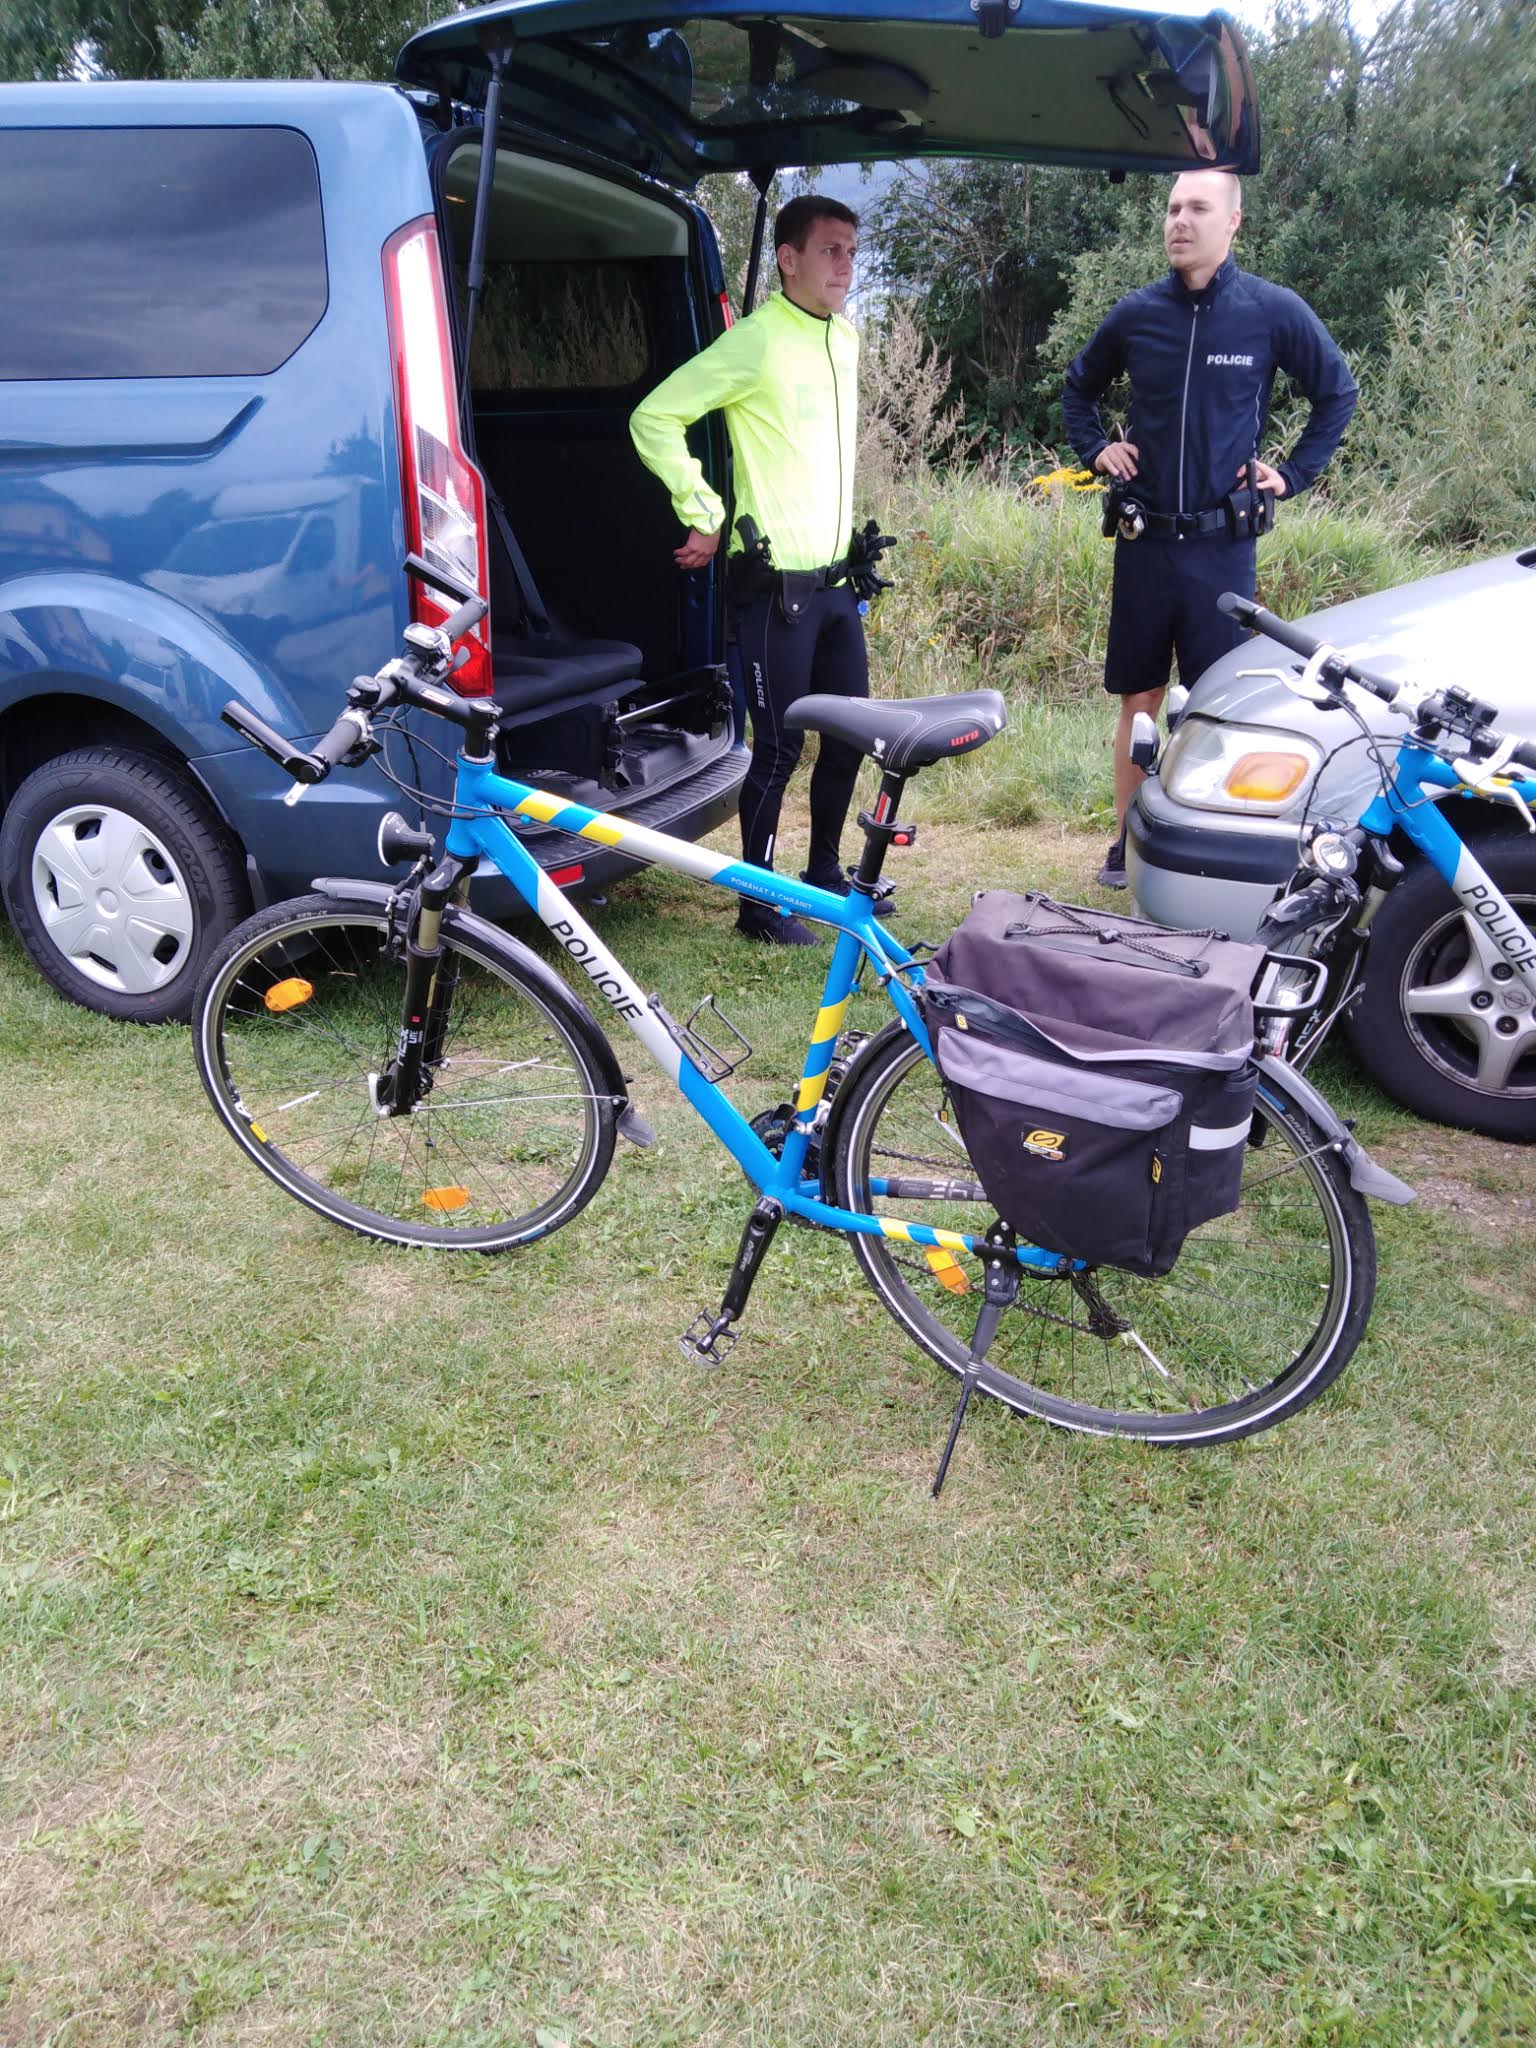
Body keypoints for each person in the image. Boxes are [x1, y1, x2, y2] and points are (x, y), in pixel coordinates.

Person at [1062, 170, 1358, 888]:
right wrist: (1096, 449)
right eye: (1172, 208)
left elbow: (1337, 393)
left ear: (1233, 222)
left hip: (1223, 549)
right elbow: (1079, 388)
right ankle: (1126, 844)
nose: (1180, 221)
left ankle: (1198, 847)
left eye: (1197, 208)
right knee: (1140, 699)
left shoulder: (1270, 311)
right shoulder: (1137, 315)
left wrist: (1293, 474)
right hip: (1145, 543)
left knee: (1216, 704)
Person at [630, 196, 874, 945]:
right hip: (773, 593)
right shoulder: (756, 341)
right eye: (830, 250)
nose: (845, 265)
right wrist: (703, 508)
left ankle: (824, 875)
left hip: (837, 585)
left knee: (850, 737)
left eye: (851, 251)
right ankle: (759, 906)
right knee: (777, 748)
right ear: (788, 259)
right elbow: (654, 416)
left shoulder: (845, 339)